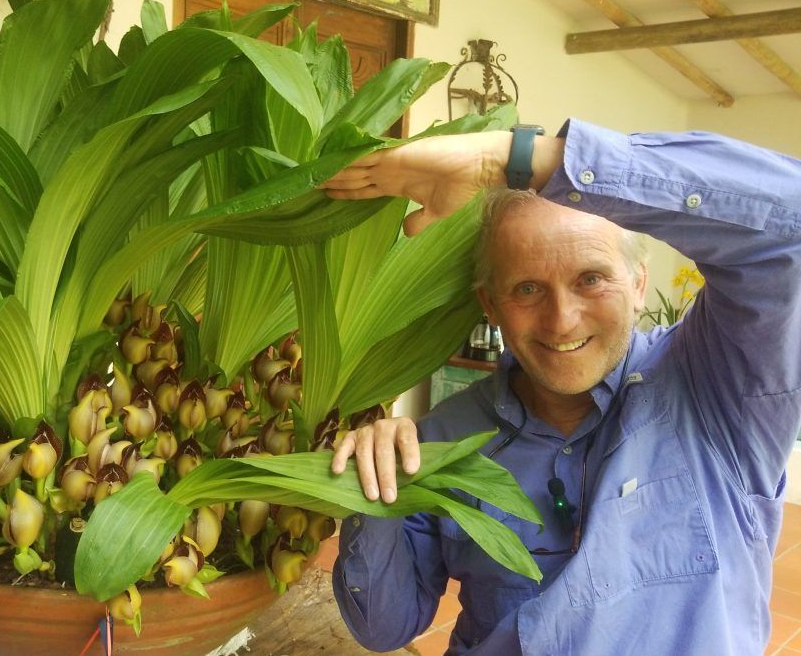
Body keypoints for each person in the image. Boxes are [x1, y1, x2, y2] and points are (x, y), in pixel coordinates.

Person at [322, 120, 801, 655]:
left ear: (639, 284)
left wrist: (514, 160)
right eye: (527, 288)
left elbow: (791, 225)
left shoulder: (720, 385)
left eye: (590, 279)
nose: (562, 320)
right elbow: (385, 628)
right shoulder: (441, 439)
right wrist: (371, 487)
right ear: (492, 305)